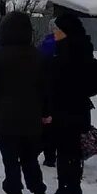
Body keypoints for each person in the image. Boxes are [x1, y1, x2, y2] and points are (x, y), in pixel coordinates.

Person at [0, 12, 52, 194]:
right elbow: (45, 89)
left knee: (11, 160)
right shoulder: (39, 57)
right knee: (30, 159)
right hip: (32, 118)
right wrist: (46, 113)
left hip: (6, 118)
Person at [47, 12, 97, 194]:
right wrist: (85, 91)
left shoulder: (66, 52)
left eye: (57, 29)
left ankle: (65, 188)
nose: (54, 32)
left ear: (65, 31)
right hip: (79, 108)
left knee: (65, 150)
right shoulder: (83, 50)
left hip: (65, 108)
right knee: (73, 150)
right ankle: (74, 188)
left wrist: (77, 90)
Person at [39, 31, 58, 167]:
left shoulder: (45, 44)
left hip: (47, 89)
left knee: (48, 125)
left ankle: (49, 157)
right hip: (64, 90)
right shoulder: (68, 44)